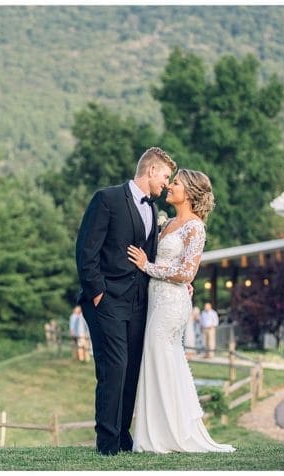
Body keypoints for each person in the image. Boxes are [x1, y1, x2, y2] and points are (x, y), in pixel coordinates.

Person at [126, 168, 234, 453]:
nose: (170, 186)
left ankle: (166, 435)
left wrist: (146, 266)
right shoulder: (169, 223)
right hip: (157, 298)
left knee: (159, 354)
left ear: (190, 192)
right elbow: (173, 265)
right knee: (161, 359)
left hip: (172, 302)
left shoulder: (194, 227)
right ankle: (160, 432)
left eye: (175, 183)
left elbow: (187, 272)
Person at [75, 147, 174, 455]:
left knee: (131, 369)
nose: (167, 184)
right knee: (113, 368)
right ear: (151, 170)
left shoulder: (153, 210)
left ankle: (121, 437)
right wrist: (98, 293)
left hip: (139, 303)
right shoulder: (107, 199)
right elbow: (86, 250)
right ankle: (106, 441)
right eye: (166, 177)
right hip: (107, 301)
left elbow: (150, 258)